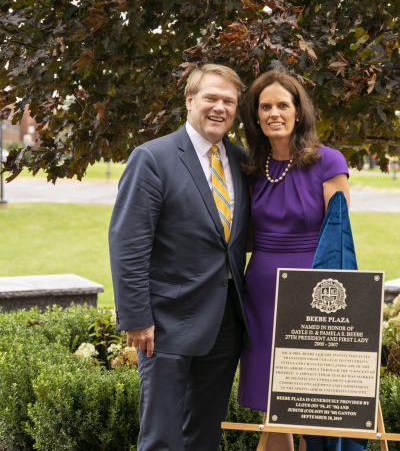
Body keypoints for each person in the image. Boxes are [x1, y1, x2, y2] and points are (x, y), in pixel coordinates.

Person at [109, 64, 249, 451]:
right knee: (161, 438)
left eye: (228, 101)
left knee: (203, 436)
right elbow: (128, 245)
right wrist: (136, 318)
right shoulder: (152, 158)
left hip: (224, 324)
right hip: (165, 324)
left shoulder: (241, 161)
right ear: (189, 101)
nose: (219, 107)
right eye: (210, 98)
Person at [238, 69, 366, 451]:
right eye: (265, 107)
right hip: (260, 289)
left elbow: (339, 235)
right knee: (271, 400)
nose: (273, 113)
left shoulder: (328, 162)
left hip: (311, 291)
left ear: (298, 112)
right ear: (256, 117)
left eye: (282, 105)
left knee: (309, 398)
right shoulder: (249, 168)